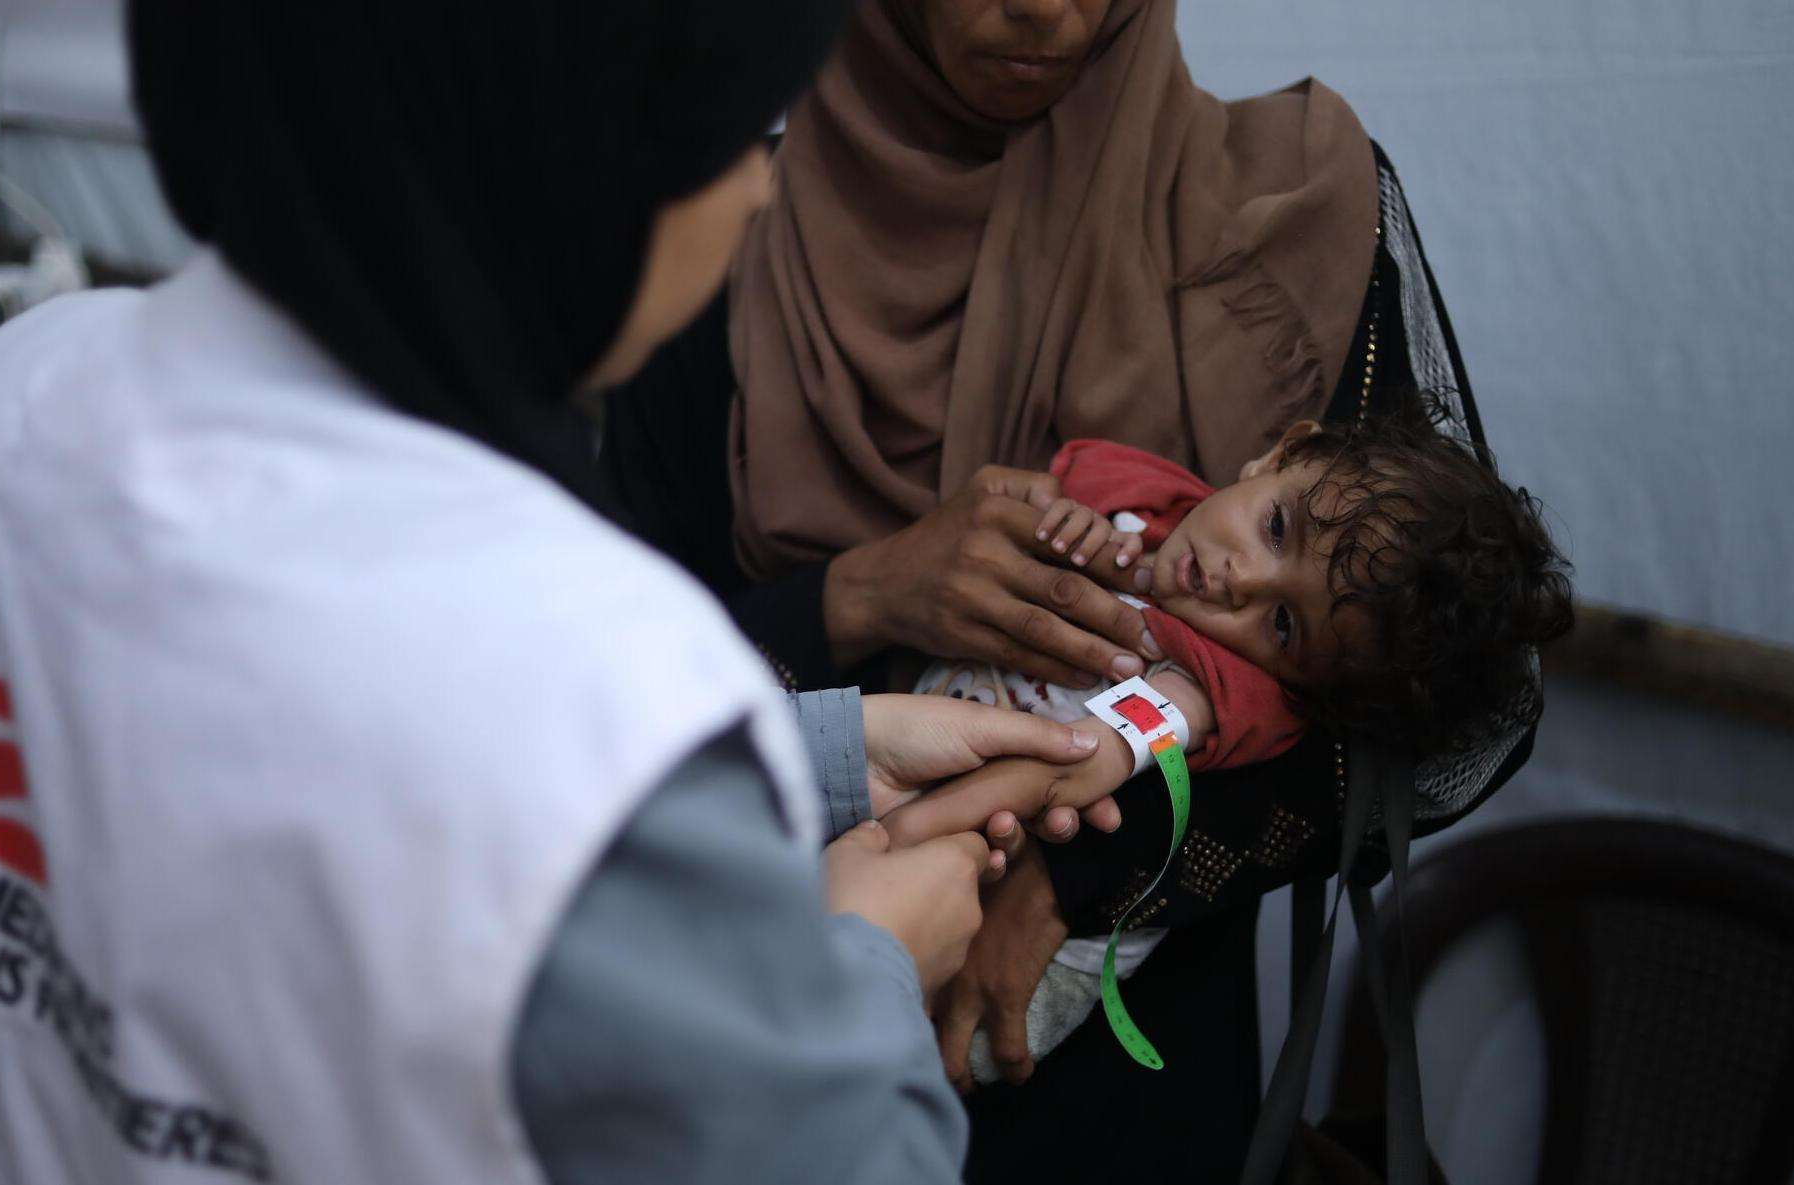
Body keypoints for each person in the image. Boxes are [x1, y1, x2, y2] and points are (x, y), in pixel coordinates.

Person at [0, 3, 1130, 1183]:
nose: (761, 189)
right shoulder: (599, 678)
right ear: (561, 158)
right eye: (737, 136)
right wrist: (859, 959)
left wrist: (834, 753)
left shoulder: (16, 396)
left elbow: (294, 772)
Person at [597, 0, 1486, 1178]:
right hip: (760, 1044)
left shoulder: (1302, 211)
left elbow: (1462, 704)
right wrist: (859, 596)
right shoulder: (714, 227)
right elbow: (591, 695)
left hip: (1117, 1093)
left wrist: (1087, 879)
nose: (1047, 12)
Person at [877, 412, 1572, 1077]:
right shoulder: (1149, 499)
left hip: (989, 895)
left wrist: (892, 833)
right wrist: (1056, 517)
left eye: (1281, 625)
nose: (1240, 579)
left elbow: (1083, 758)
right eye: (1275, 527)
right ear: (1284, 454)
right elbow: (1041, 493)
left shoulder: (1220, 687)